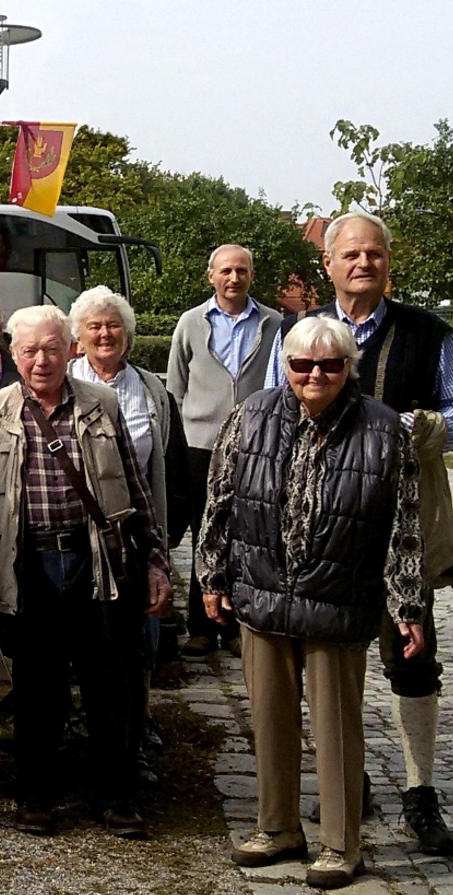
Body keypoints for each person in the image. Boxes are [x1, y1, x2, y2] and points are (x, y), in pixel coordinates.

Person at [262, 210, 453, 858]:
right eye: (350, 255)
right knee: (329, 665)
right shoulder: (299, 334)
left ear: (388, 263)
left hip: (402, 531)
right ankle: (345, 782)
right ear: (328, 265)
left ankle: (419, 792)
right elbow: (276, 413)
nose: (363, 264)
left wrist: (426, 427)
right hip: (322, 533)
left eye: (374, 255)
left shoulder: (426, 333)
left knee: (412, 660)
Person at [200, 316, 426, 890]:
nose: (315, 375)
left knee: (337, 730)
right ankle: (277, 828)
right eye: (303, 365)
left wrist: (407, 607)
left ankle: (340, 842)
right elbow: (219, 501)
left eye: (329, 365)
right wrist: (211, 577)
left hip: (338, 599)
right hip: (262, 591)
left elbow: (404, 528)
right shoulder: (251, 415)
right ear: (288, 367)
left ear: (349, 367)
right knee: (270, 722)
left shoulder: (385, 431)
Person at [0, 305, 171, 840]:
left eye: (52, 348)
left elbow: (137, 490)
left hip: (96, 559)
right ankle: (36, 796)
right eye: (29, 350)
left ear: (70, 349)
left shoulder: (102, 405)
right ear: (13, 353)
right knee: (36, 686)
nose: (41, 360)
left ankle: (114, 797)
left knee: (109, 683)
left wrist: (154, 560)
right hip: (27, 564)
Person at [68, 286, 191, 785]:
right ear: (77, 337)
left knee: (135, 645)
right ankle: (78, 734)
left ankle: (132, 737)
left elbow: (174, 467)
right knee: (76, 640)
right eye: (94, 326)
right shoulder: (58, 380)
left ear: (129, 335)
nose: (104, 333)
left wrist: (164, 536)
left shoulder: (153, 392)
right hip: (71, 537)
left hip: (134, 539)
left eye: (113, 325)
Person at [167, 245, 281, 659]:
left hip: (255, 444)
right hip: (201, 445)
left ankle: (237, 627)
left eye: (242, 271)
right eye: (226, 271)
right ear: (211, 275)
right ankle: (200, 626)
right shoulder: (190, 323)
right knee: (204, 534)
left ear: (252, 276)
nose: (234, 278)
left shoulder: (274, 323)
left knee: (249, 535)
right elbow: (175, 388)